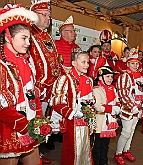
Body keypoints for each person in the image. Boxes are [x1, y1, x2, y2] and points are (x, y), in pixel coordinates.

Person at [0, 4, 42, 165]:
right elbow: (3, 109)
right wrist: (26, 126)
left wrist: (38, 120)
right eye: (24, 38)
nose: (28, 43)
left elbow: (32, 95)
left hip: (29, 124)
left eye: (29, 39)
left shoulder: (25, 63)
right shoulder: (2, 66)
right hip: (9, 129)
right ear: (7, 38)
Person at [28, 0, 63, 156]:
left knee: (42, 121)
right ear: (35, 15)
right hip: (36, 89)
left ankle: (37, 152)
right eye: (45, 15)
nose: (48, 18)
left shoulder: (47, 36)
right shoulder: (28, 33)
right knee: (33, 121)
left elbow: (54, 60)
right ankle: (28, 154)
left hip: (49, 88)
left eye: (49, 15)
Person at [49, 48, 95, 165]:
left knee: (85, 147)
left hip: (85, 121)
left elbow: (90, 100)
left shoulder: (88, 80)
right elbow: (56, 102)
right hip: (71, 122)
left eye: (88, 62)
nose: (86, 65)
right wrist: (73, 112)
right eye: (83, 62)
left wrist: (90, 112)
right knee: (73, 150)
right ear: (74, 63)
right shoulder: (65, 79)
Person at [114, 47, 143, 165]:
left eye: (136, 63)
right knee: (126, 132)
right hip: (128, 110)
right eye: (132, 63)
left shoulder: (141, 77)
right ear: (128, 63)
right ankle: (118, 153)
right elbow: (122, 94)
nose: (135, 65)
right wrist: (131, 106)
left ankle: (126, 150)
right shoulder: (124, 77)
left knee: (132, 131)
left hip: (138, 110)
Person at [92, 66, 121, 165]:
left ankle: (104, 162)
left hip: (109, 122)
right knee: (97, 145)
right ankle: (96, 162)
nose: (110, 79)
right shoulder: (96, 90)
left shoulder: (112, 88)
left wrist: (117, 106)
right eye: (107, 76)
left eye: (111, 77)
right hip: (99, 123)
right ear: (100, 78)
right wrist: (112, 109)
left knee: (105, 145)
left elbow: (117, 101)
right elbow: (99, 107)